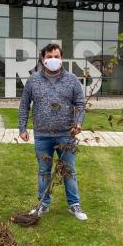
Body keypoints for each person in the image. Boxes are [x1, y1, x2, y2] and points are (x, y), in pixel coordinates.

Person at [19, 43, 88, 221]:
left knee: (69, 170)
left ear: (61, 58)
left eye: (56, 56)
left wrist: (78, 123)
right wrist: (22, 127)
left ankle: (74, 205)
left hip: (66, 134)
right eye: (49, 57)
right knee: (44, 170)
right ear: (43, 59)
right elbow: (24, 105)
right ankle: (43, 204)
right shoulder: (33, 80)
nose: (53, 60)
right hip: (42, 134)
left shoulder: (72, 79)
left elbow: (80, 104)